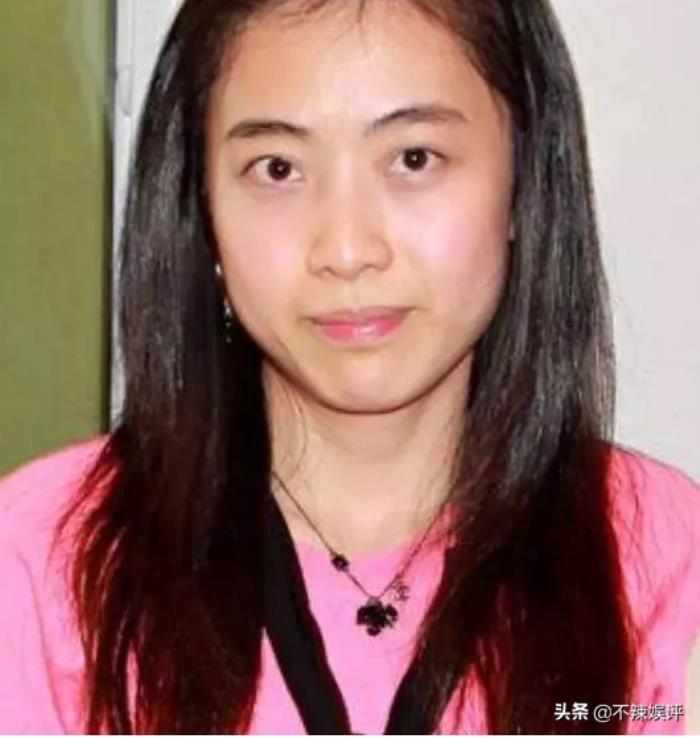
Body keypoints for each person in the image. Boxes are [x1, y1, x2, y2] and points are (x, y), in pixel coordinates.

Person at [0, 0, 698, 733]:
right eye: (277, 169)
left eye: (414, 159)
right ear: (200, 207)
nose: (346, 249)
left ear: (526, 184)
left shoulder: (667, 563)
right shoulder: (39, 564)